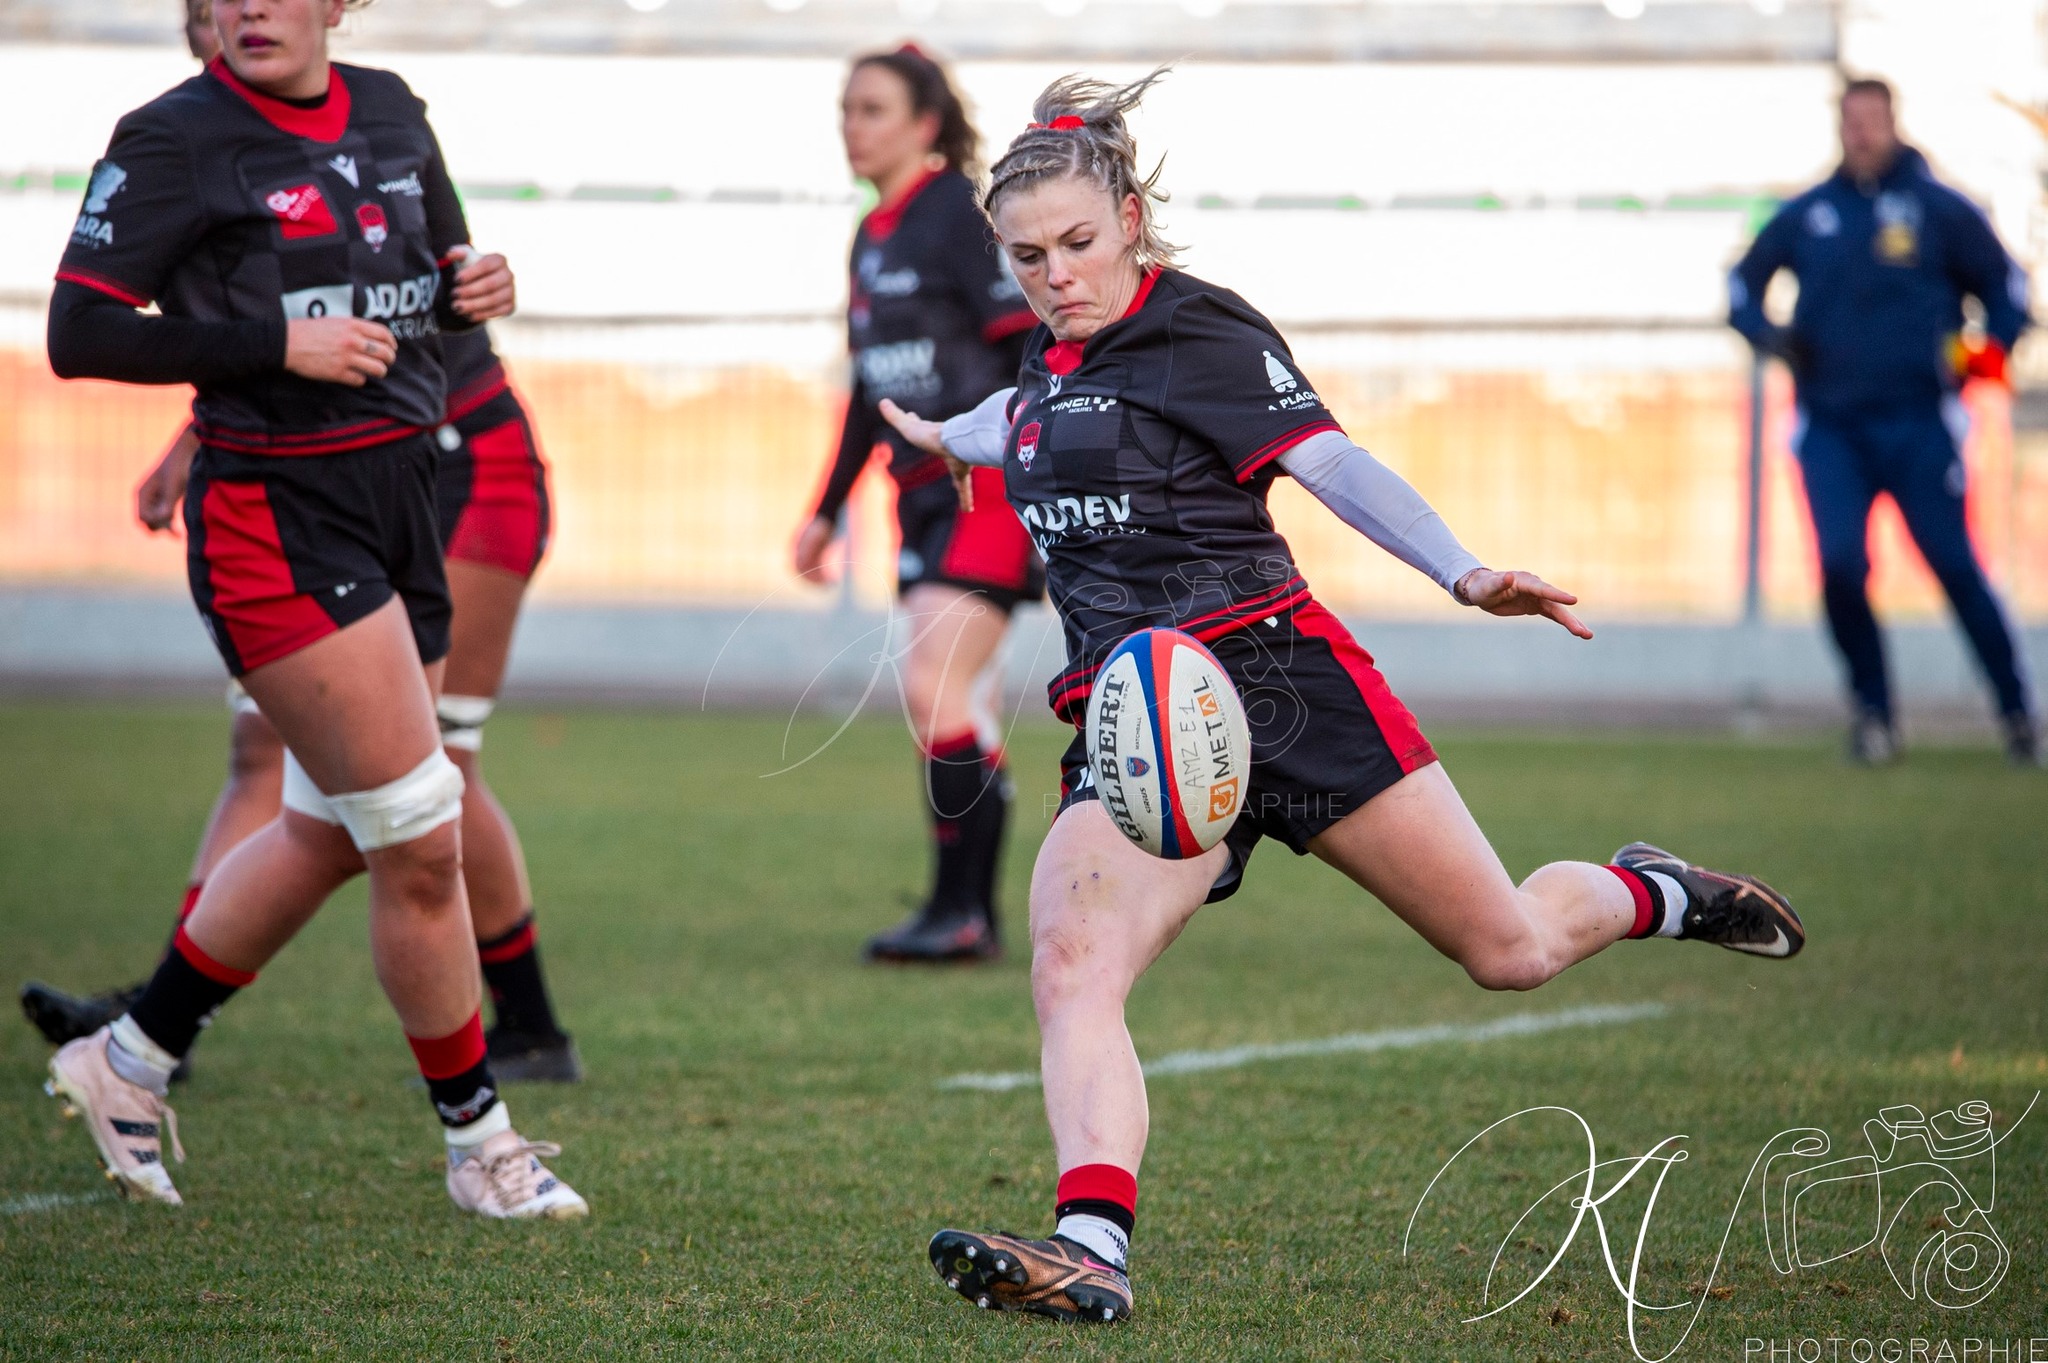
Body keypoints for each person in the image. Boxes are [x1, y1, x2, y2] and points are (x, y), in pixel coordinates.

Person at [879, 72, 1805, 1324]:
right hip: (1143, 722)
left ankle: (1652, 890)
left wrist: (1463, 569)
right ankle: (1090, 1245)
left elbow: (1330, 463)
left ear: (1133, 219)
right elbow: (1016, 416)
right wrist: (940, 434)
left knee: (1510, 951)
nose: (1055, 275)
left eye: (1079, 244)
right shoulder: (1043, 376)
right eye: (1028, 256)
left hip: (1281, 682)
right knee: (1070, 960)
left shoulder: (1199, 332)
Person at [40, 0, 585, 1218]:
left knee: (337, 830)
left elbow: (428, 293)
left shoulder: (393, 110)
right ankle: (479, 1141)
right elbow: (78, 333)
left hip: (410, 496)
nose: (246, 7)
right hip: (276, 523)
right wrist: (270, 343)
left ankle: (127, 1055)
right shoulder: (171, 136)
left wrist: (473, 285)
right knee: (418, 834)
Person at [794, 44, 1043, 963]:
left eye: (872, 108)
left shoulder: (957, 216)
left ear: (924, 124)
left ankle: (960, 908)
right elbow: (871, 387)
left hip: (985, 490)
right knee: (957, 698)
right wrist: (827, 508)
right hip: (916, 500)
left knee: (933, 684)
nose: (852, 125)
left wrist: (1023, 454)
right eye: (847, 108)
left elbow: (1029, 342)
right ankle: (967, 910)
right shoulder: (874, 235)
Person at [1730, 77, 2038, 766]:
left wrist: (1985, 356)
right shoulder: (1811, 213)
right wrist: (1771, 336)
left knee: (1956, 567)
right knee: (1840, 565)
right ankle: (1875, 715)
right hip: (1832, 427)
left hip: (1919, 424)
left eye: (1871, 120)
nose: (1860, 133)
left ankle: (2019, 714)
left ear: (1893, 123)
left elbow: (2008, 290)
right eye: (1850, 121)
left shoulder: (1939, 209)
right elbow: (1741, 284)